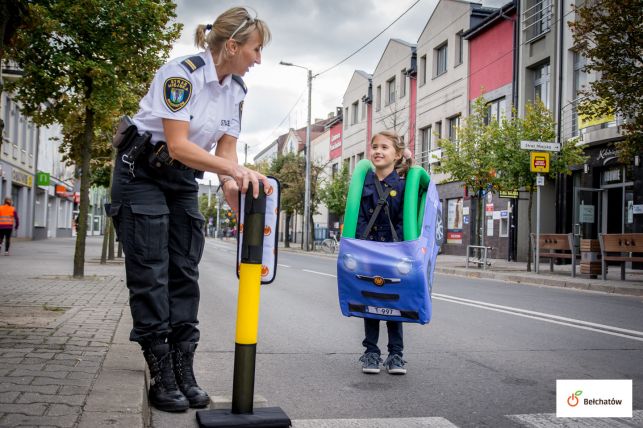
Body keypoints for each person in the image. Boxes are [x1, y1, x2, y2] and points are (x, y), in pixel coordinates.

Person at [109, 7, 271, 412]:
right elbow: (179, 143)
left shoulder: (236, 91)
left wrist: (232, 183)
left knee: (184, 269)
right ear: (232, 46)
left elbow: (226, 149)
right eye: (255, 49)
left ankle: (184, 369)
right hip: (142, 172)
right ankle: (161, 373)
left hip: (182, 179)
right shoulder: (181, 75)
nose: (259, 59)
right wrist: (232, 168)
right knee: (151, 272)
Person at [355, 131, 412, 375]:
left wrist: (410, 162)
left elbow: (406, 218)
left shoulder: (404, 184)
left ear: (396, 154)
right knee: (371, 302)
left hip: (394, 252)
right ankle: (371, 353)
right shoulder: (363, 181)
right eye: (374, 146)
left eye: (385, 147)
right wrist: (359, 246)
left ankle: (396, 355)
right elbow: (357, 216)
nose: (378, 151)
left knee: (394, 304)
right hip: (368, 250)